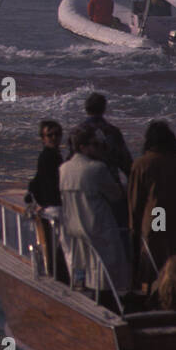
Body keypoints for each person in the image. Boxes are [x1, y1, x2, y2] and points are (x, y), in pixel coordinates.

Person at [127, 121, 176, 290]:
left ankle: (154, 294)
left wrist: (134, 228)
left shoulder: (142, 164)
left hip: (157, 215)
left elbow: (135, 202)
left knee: (156, 256)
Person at [59, 126, 130, 294]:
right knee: (110, 261)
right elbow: (115, 195)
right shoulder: (97, 168)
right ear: (83, 147)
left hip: (74, 225)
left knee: (80, 260)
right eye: (95, 144)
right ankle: (110, 295)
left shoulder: (63, 169)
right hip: (97, 225)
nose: (98, 148)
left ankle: (81, 285)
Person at [69, 92, 133, 190]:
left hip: (83, 184)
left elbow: (71, 160)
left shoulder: (76, 132)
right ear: (104, 109)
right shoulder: (113, 131)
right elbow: (126, 162)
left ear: (86, 109)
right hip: (110, 185)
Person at [27, 120, 64, 207]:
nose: (54, 137)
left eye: (57, 134)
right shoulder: (49, 157)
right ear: (43, 139)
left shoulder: (52, 155)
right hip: (52, 205)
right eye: (50, 135)